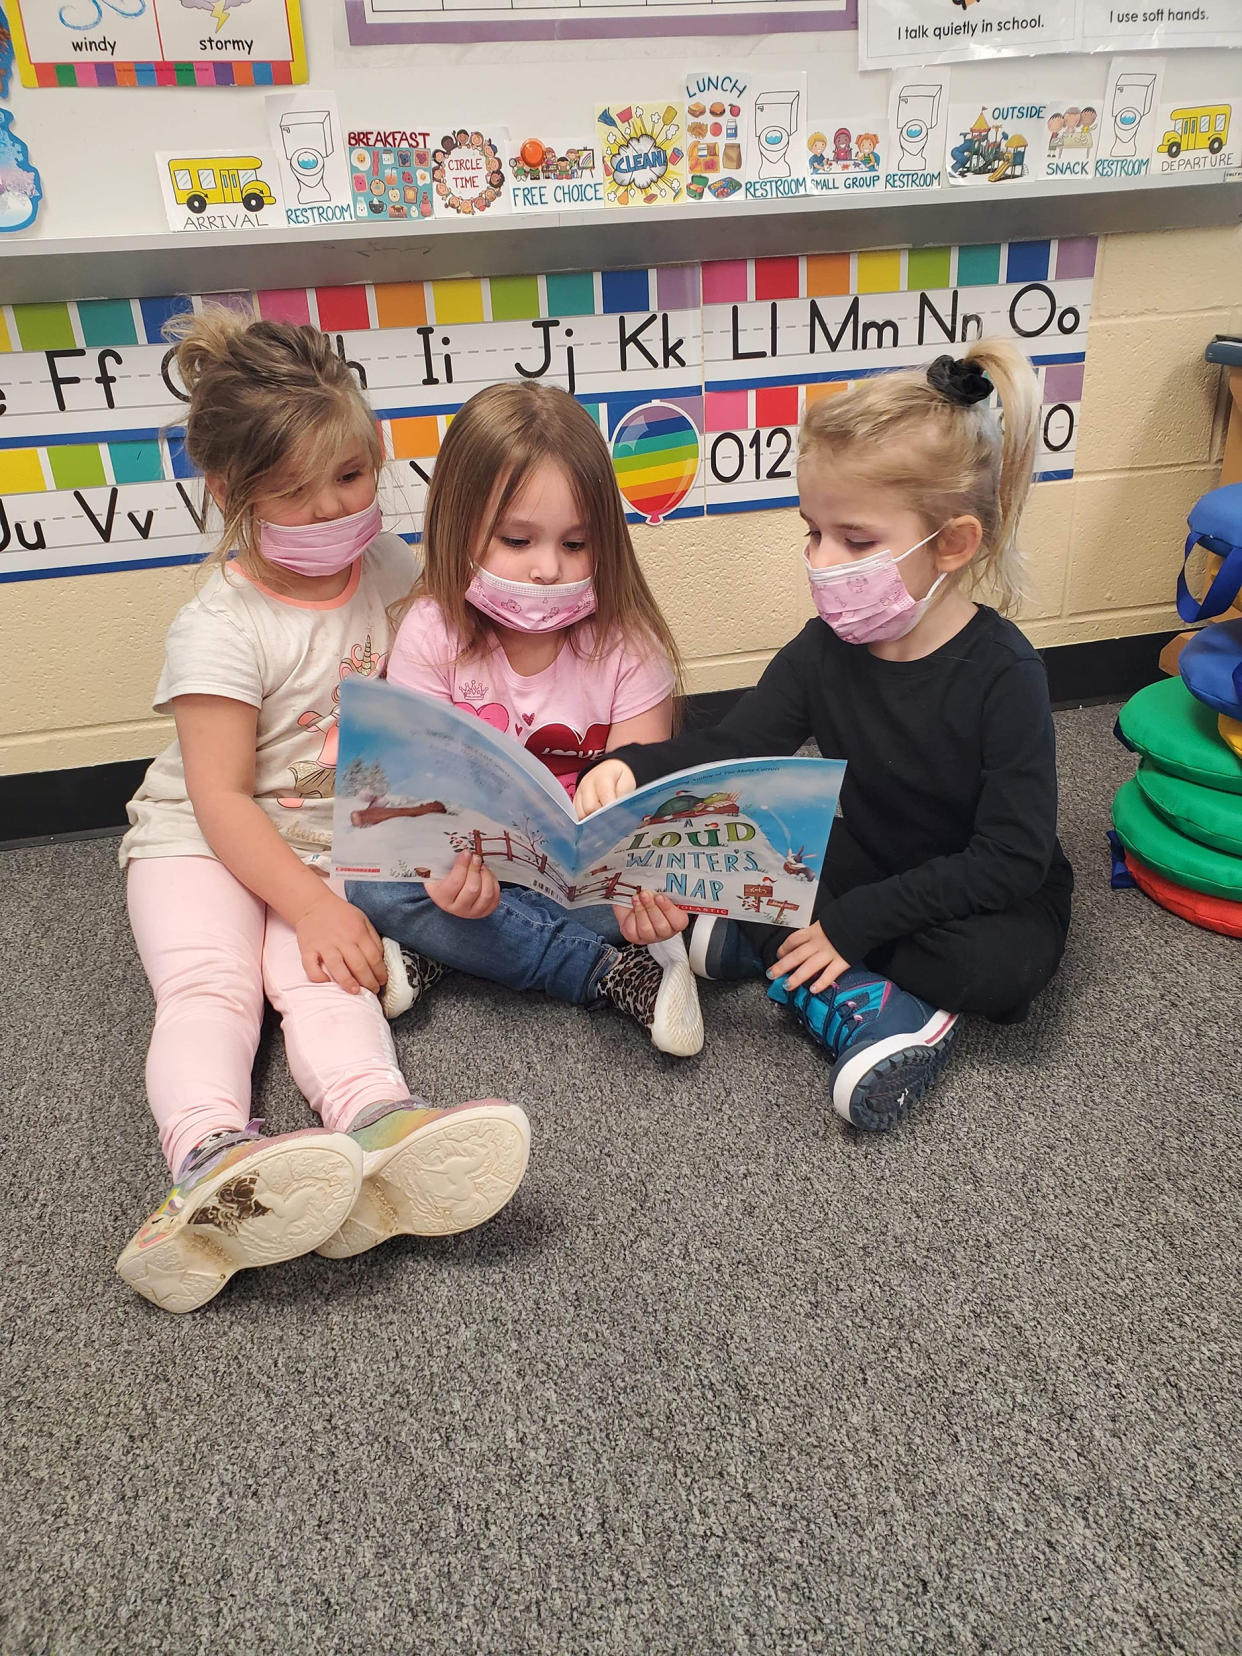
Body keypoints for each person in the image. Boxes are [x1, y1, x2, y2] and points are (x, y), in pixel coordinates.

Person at [117, 310, 530, 1313]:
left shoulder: (390, 570)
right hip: (200, 841)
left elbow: (434, 700)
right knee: (216, 994)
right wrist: (307, 903)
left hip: (326, 837)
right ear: (230, 492)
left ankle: (380, 1128)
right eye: (294, 494)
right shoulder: (220, 624)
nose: (332, 506)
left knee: (328, 985)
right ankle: (207, 1162)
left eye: (349, 477)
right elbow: (219, 797)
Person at [577, 343, 1073, 1132]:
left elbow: (1010, 859)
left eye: (857, 540)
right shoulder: (823, 648)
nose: (822, 561)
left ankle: (855, 986)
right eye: (813, 532)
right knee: (758, 839)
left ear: (951, 544)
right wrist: (628, 764)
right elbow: (734, 748)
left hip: (980, 891)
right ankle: (818, 965)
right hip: (872, 855)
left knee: (999, 970)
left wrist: (851, 925)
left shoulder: (1004, 671)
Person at [347, 381, 703, 1058]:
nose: (547, 569)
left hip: (588, 877)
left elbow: (645, 813)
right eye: (516, 539)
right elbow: (414, 799)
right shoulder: (431, 631)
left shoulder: (628, 643)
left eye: (576, 543)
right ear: (460, 528)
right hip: (472, 865)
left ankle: (457, 952)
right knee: (371, 884)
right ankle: (607, 973)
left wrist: (647, 887)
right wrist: (450, 874)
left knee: (685, 901)